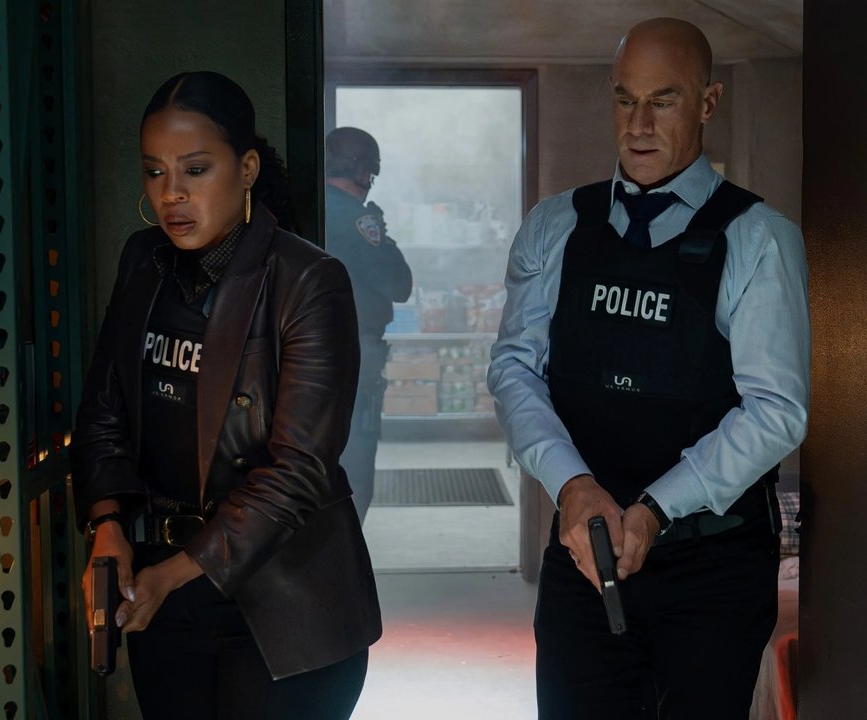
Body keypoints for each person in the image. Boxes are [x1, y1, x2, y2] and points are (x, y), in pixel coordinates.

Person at [487, 18, 810, 720]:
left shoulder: (758, 240)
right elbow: (514, 368)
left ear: (708, 103)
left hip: (712, 567)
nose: (638, 125)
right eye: (624, 99)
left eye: (663, 100)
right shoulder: (555, 226)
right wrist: (571, 484)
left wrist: (659, 507)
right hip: (585, 555)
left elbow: (777, 410)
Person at [71, 71, 380, 719]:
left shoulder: (308, 280)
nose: (172, 194)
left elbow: (299, 472)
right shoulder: (143, 262)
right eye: (155, 172)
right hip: (163, 590)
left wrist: (176, 569)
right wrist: (108, 526)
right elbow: (104, 411)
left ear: (246, 169)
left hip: (284, 606)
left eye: (195, 169)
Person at [323, 127, 413, 523]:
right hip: (354, 355)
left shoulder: (312, 206)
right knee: (355, 471)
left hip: (308, 352)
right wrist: (382, 235)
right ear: (365, 171)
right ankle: (347, 555)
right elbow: (399, 284)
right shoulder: (358, 219)